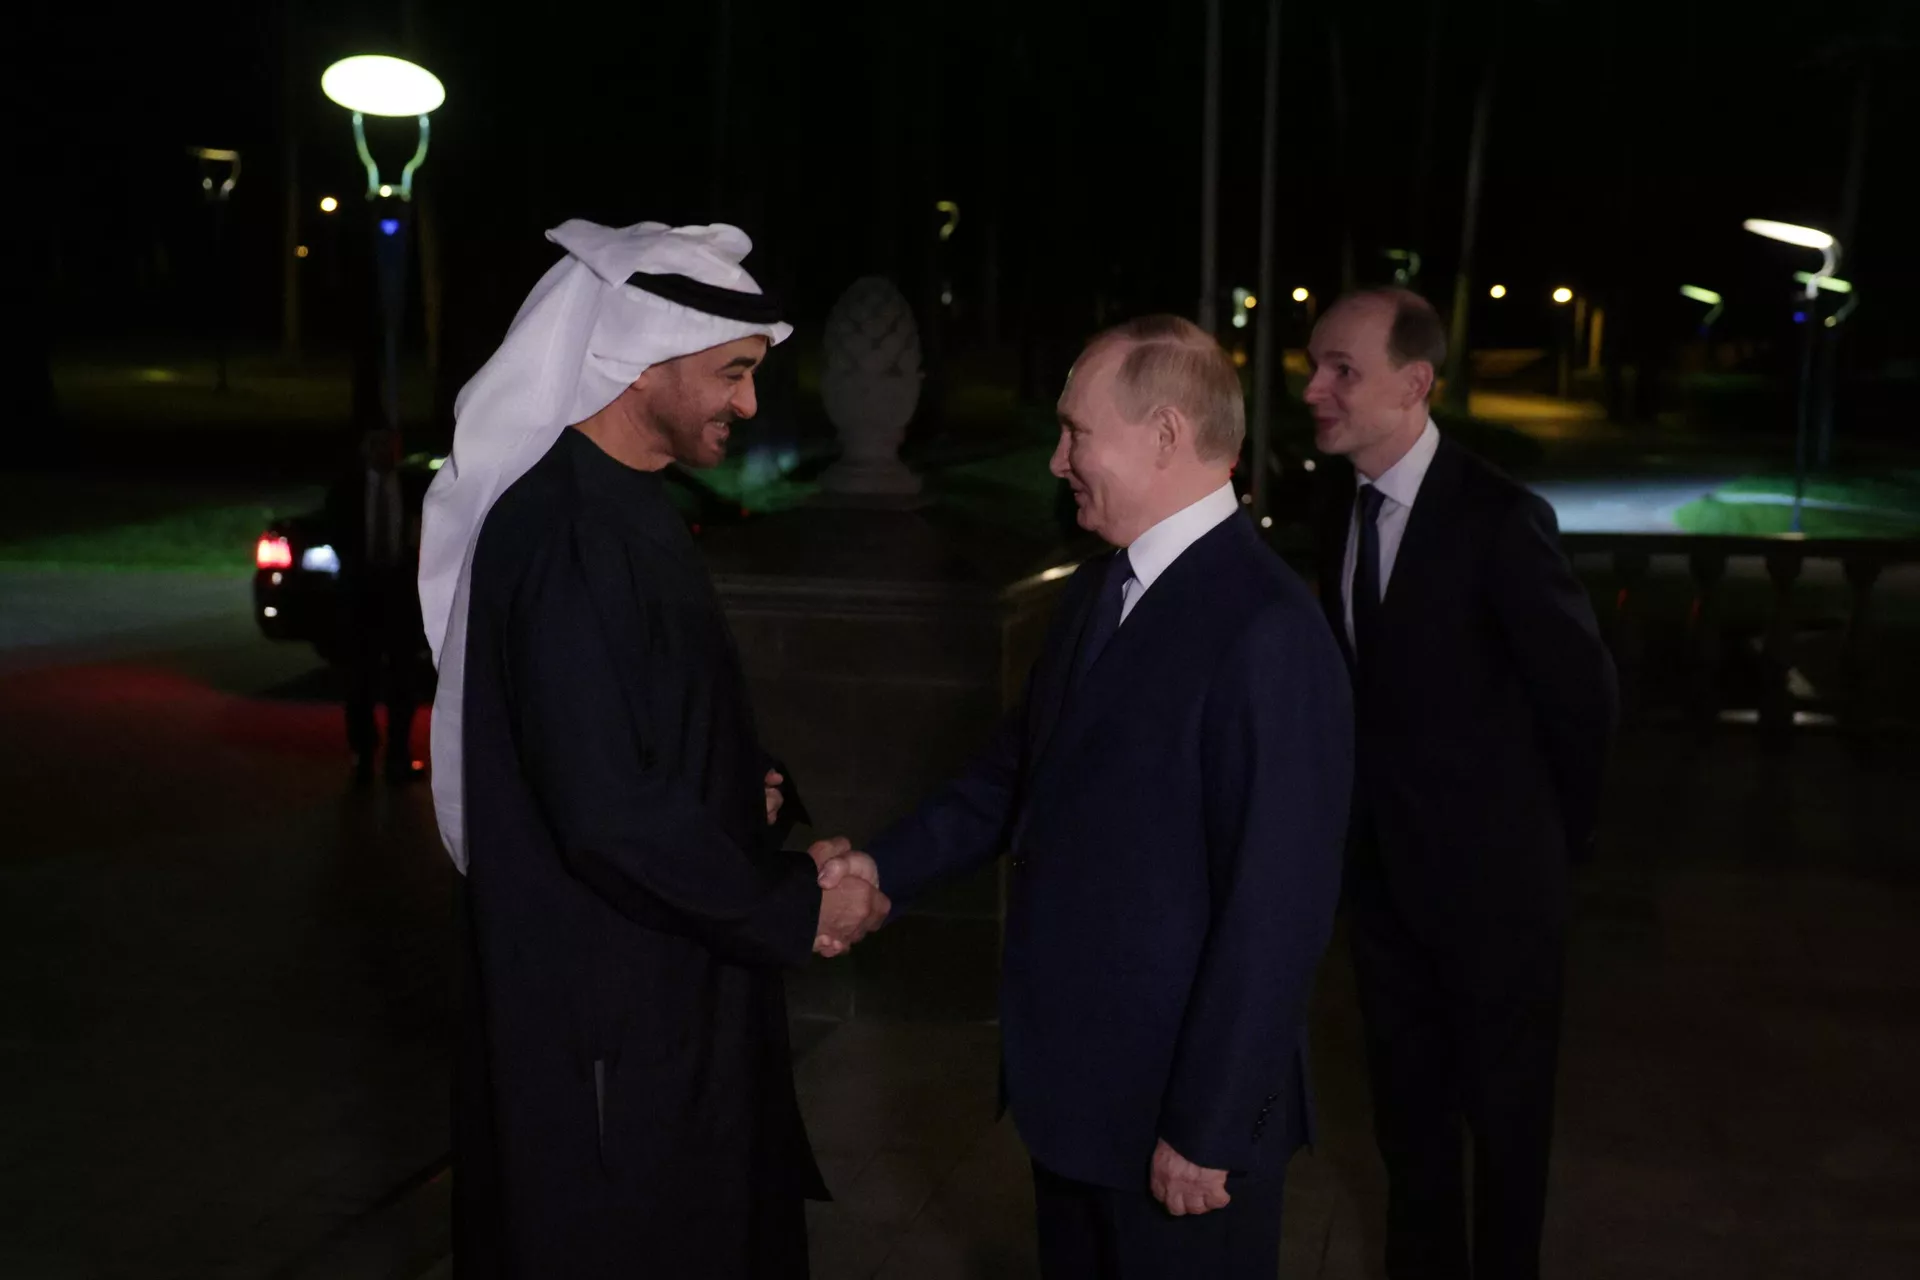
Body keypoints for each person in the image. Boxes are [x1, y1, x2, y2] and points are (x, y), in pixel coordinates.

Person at [815, 315, 1354, 1278]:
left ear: (1163, 435)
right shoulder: (1098, 589)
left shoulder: (1270, 629)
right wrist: (883, 870)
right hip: (1076, 1104)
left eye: (1076, 432)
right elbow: (1013, 775)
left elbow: (1278, 909)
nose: (1058, 459)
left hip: (1180, 1129)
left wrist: (1210, 1126)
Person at [416, 220, 890, 1279]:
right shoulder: (567, 529)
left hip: (661, 1004)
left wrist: (750, 798)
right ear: (640, 364)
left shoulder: (621, 508)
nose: (751, 403)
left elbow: (642, 731)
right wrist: (791, 906)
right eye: (732, 371)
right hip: (608, 1043)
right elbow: (606, 811)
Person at [1305, 288, 1618, 1280]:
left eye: (1341, 369)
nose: (1314, 388)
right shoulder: (1328, 509)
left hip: (1500, 900)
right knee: (1409, 1132)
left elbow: (1585, 699)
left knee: (1508, 1134)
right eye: (1313, 366)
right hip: (1386, 893)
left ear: (1416, 382)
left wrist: (1539, 852)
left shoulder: (1501, 519)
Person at [325, 426, 428, 784]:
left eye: (391, 444)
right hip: (361, 595)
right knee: (359, 680)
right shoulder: (346, 491)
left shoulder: (414, 489)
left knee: (403, 679)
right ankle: (363, 754)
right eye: (377, 444)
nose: (385, 451)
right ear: (365, 449)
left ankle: (398, 754)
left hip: (400, 595)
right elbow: (336, 535)